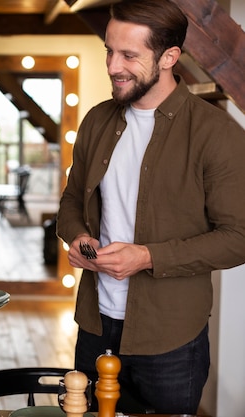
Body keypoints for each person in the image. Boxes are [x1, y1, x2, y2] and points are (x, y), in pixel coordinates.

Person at [56, 0, 245, 414]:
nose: (112, 65)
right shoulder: (96, 120)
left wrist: (146, 257)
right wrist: (79, 236)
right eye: (109, 50)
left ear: (169, 57)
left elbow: (238, 239)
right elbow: (71, 200)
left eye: (129, 55)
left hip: (170, 337)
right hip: (94, 325)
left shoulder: (216, 134)